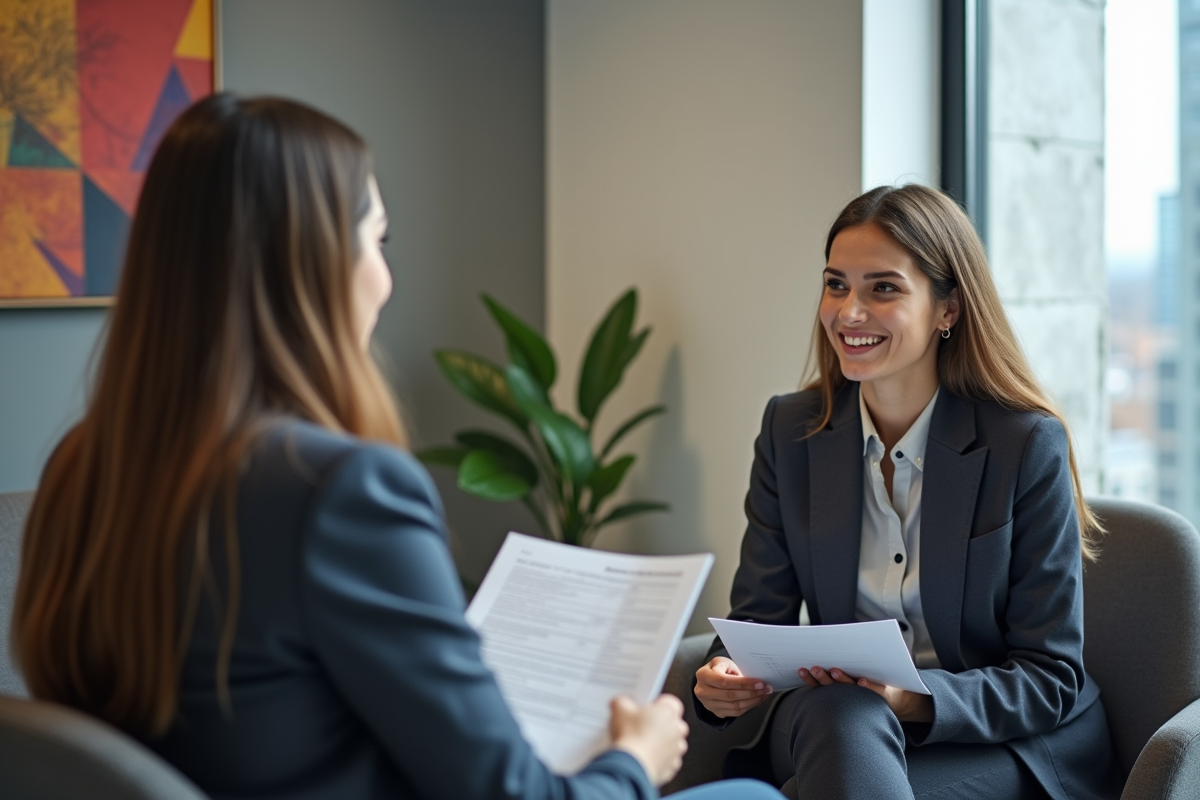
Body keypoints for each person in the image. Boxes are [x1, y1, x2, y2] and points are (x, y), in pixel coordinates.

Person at [11, 93, 780, 800]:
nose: (385, 278)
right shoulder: (337, 490)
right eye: (376, 240)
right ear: (310, 265)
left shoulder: (82, 465)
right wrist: (635, 759)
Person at [692, 185, 1122, 800]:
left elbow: (1048, 677)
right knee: (841, 714)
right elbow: (759, 616)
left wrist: (910, 697)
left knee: (835, 744)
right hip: (836, 722)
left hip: (992, 738)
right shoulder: (790, 432)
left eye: (882, 288)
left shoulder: (1023, 444)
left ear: (947, 309)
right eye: (836, 284)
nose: (848, 312)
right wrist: (725, 674)